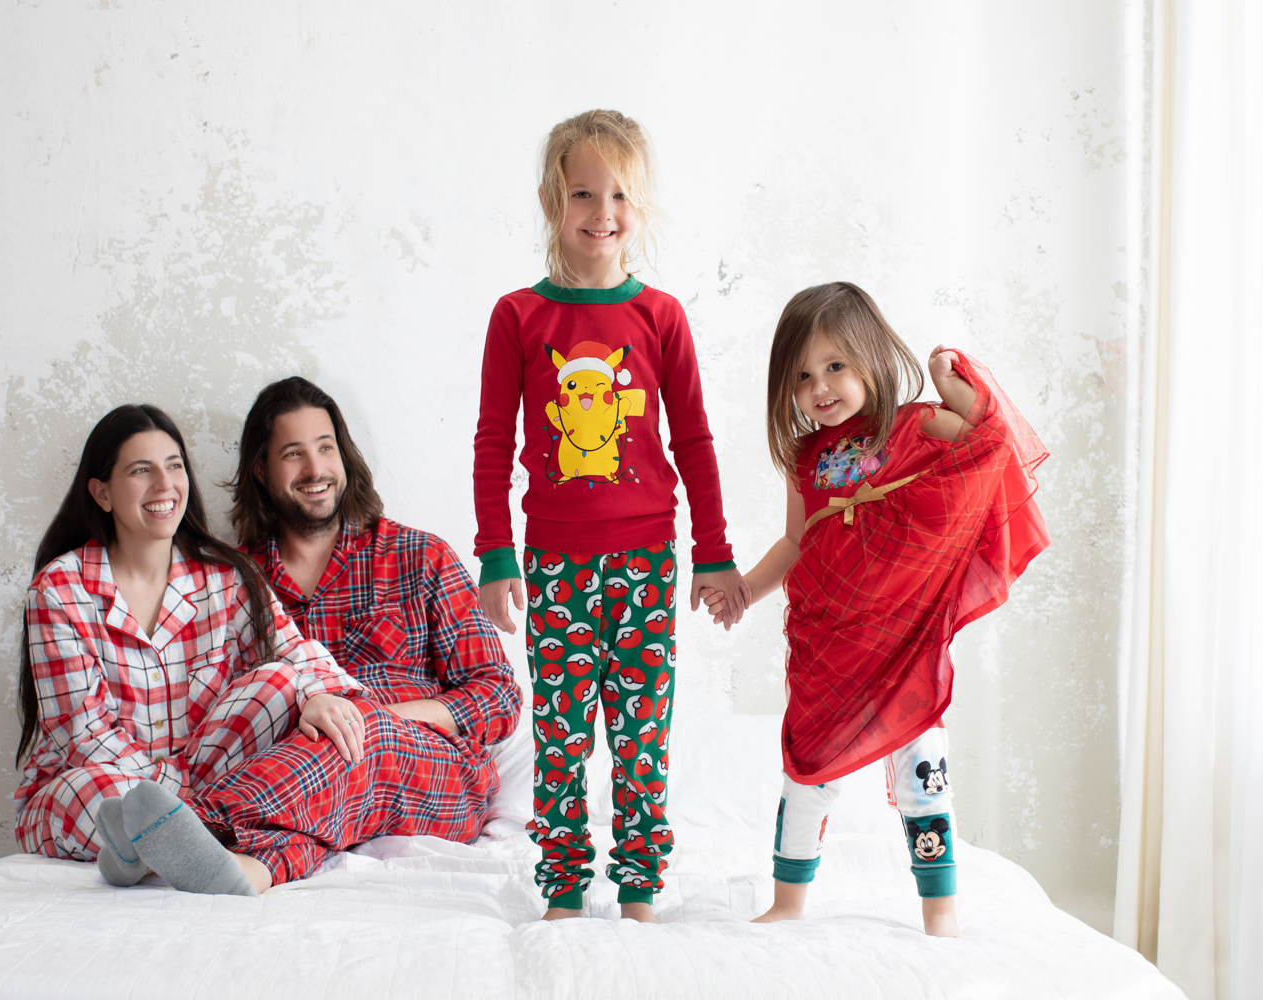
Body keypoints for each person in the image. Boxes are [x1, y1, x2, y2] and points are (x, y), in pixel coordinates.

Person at [701, 282, 1050, 935]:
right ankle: (788, 900)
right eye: (802, 375)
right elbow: (797, 541)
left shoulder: (913, 424)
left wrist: (949, 382)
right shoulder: (804, 456)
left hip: (904, 640)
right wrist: (746, 587)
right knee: (806, 772)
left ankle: (940, 908)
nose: (819, 387)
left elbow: (986, 437)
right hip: (828, 643)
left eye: (835, 366)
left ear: (869, 357)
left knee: (924, 775)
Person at [471, 109, 747, 922]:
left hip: (646, 563)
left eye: (619, 193)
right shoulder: (518, 317)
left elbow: (693, 439)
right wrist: (495, 556)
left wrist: (714, 553)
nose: (602, 210)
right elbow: (494, 444)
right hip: (553, 564)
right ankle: (562, 886)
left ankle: (638, 886)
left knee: (639, 734)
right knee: (560, 737)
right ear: (553, 200)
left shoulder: (660, 316)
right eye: (583, 192)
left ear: (641, 206)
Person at [95, 377, 522, 895]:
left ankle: (179, 826)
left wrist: (382, 716)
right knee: (317, 789)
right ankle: (244, 870)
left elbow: (498, 694)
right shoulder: (233, 580)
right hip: (307, 784)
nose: (316, 469)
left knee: (356, 726)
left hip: (435, 777)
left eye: (325, 449)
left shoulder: (420, 556)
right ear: (262, 470)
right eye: (294, 454)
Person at [14, 404, 365, 872]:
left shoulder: (227, 577)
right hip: (98, 783)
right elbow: (83, 737)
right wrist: (178, 793)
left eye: (174, 466)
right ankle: (189, 838)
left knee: (282, 681)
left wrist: (316, 693)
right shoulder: (59, 590)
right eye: (142, 470)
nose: (164, 485)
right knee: (100, 795)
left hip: (206, 781)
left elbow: (296, 653)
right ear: (101, 493)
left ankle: (148, 852)